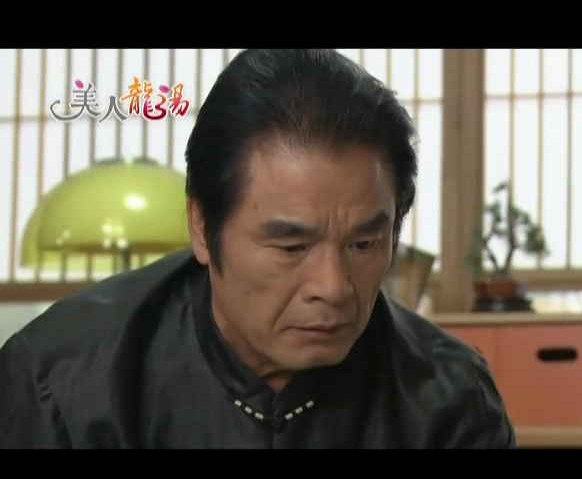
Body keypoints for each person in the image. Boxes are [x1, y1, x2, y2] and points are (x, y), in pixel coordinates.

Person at [0, 49, 514, 449]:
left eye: (364, 243)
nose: (333, 288)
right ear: (202, 226)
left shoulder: (448, 400)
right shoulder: (63, 386)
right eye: (291, 246)